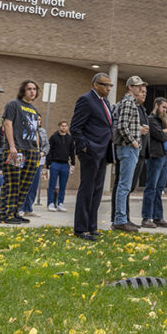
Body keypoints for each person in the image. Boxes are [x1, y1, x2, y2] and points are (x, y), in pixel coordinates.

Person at [70, 73, 115, 241]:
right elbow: (75, 127)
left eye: (110, 86)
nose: (108, 88)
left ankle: (92, 226)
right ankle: (81, 228)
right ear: (95, 85)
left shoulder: (105, 102)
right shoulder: (86, 100)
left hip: (104, 151)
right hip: (91, 151)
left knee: (97, 191)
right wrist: (84, 148)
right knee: (87, 190)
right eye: (105, 85)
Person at [0, 80, 42, 224]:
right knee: (12, 183)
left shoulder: (34, 110)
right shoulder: (13, 105)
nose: (32, 91)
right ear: (23, 90)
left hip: (31, 151)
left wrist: (37, 150)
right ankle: (5, 214)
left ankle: (15, 212)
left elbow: (35, 131)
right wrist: (12, 147)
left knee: (25, 185)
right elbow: (7, 124)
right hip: (17, 150)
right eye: (29, 89)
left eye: (34, 89)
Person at [112, 76, 149, 232]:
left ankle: (123, 219)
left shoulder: (131, 103)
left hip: (130, 148)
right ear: (130, 87)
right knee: (124, 186)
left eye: (142, 86)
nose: (141, 89)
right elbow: (121, 125)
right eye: (137, 86)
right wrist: (134, 141)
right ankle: (120, 220)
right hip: (128, 148)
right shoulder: (128, 103)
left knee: (125, 186)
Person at [141, 97, 167, 228]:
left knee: (160, 188)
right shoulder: (151, 120)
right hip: (155, 156)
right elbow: (160, 136)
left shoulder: (164, 121)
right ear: (156, 105)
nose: (165, 110)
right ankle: (146, 217)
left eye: (166, 108)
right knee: (151, 187)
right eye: (163, 107)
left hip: (165, 157)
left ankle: (158, 217)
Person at [47, 120, 76, 212]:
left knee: (63, 185)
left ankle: (60, 203)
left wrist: (73, 163)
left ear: (67, 127)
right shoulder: (53, 137)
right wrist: (49, 163)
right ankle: (50, 203)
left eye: (65, 126)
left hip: (65, 164)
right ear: (59, 126)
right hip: (55, 163)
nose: (64, 127)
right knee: (52, 184)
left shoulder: (70, 138)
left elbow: (72, 151)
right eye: (62, 126)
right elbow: (49, 150)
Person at [21, 124, 49, 216]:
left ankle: (29, 208)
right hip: (27, 160)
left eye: (40, 119)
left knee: (34, 185)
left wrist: (43, 152)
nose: (38, 121)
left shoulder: (42, 132)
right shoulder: (26, 130)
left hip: (38, 161)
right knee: (24, 183)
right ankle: (20, 208)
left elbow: (46, 145)